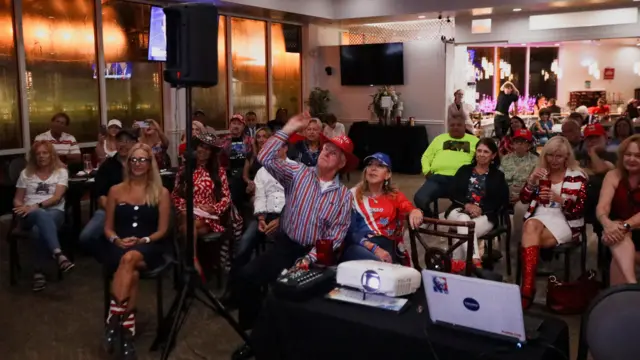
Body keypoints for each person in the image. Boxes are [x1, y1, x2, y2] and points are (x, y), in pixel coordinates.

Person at [232, 112, 357, 359]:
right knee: (247, 277)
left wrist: (309, 259)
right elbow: (265, 158)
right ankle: (256, 334)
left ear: (341, 164)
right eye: (325, 148)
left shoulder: (343, 196)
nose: (325, 153)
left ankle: (276, 342)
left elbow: (336, 235)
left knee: (285, 293)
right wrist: (289, 128)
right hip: (286, 246)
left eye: (333, 153)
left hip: (317, 255)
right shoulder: (298, 172)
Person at [103, 143, 171, 358]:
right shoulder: (115, 190)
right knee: (129, 268)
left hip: (150, 246)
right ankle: (125, 332)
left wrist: (144, 239)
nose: (138, 164)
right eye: (134, 159)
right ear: (128, 163)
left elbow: (162, 230)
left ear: (151, 164)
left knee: (130, 258)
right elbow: (108, 228)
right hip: (119, 246)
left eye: (143, 159)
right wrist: (116, 240)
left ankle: (113, 320)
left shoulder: (161, 192)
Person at [519, 136, 588, 308]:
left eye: (559, 156)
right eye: (550, 155)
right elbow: (524, 199)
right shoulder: (541, 171)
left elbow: (579, 209)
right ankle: (528, 288)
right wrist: (531, 182)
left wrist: (561, 199)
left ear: (567, 157)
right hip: (541, 213)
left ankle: (526, 290)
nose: (554, 160)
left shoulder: (577, 176)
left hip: (566, 219)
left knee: (529, 240)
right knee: (530, 225)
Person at [12, 141, 74, 291]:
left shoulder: (61, 172)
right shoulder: (26, 173)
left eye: (45, 153)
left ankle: (38, 273)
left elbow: (57, 198)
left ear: (51, 155)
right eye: (38, 153)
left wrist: (37, 206)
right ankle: (58, 255)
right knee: (38, 215)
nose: (41, 156)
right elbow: (17, 198)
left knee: (37, 230)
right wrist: (20, 207)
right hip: (28, 214)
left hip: (54, 212)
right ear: (34, 156)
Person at [172, 132, 236, 276]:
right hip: (187, 212)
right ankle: (194, 262)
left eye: (208, 149)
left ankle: (188, 268)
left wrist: (213, 208)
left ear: (212, 153)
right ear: (195, 148)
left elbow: (226, 198)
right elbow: (175, 195)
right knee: (186, 220)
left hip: (208, 217)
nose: (203, 151)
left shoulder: (218, 172)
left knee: (186, 228)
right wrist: (189, 206)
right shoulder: (183, 171)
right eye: (201, 146)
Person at [342, 152, 423, 265]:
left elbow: (407, 206)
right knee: (356, 253)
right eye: (370, 164)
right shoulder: (352, 195)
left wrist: (415, 211)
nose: (373, 169)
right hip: (362, 245)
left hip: (387, 246)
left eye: (380, 166)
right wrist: (374, 249)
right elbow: (349, 231)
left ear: (387, 175)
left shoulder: (394, 196)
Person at [445, 138, 509, 273]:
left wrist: (481, 209)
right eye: (479, 150)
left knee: (464, 230)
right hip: (458, 211)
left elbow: (501, 200)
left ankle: (457, 268)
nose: (481, 154)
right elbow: (452, 192)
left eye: (486, 152)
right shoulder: (464, 170)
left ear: (493, 155)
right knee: (464, 221)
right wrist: (467, 205)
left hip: (485, 216)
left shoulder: (497, 176)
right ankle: (475, 262)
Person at [79, 129, 138, 262]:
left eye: (127, 141)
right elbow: (101, 196)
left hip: (136, 208)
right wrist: (114, 210)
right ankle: (110, 257)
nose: (123, 144)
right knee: (86, 237)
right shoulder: (107, 166)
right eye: (120, 141)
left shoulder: (140, 163)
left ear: (135, 143)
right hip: (109, 208)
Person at [413, 115, 479, 217]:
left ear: (464, 126)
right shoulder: (439, 139)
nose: (455, 127)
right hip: (439, 178)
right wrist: (426, 171)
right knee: (420, 198)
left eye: (459, 125)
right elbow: (426, 156)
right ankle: (431, 218)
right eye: (452, 125)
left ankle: (453, 215)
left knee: (468, 205)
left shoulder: (474, 141)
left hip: (463, 179)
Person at [597, 135, 640, 285]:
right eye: (628, 155)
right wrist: (607, 224)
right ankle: (632, 285)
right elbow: (602, 206)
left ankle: (624, 294)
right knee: (618, 239)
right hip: (620, 232)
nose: (631, 159)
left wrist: (623, 226)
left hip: (626, 229)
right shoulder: (613, 175)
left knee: (618, 253)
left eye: (637, 156)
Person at [501, 129, 538, 245]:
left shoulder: (536, 160)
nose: (520, 145)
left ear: (529, 145)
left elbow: (536, 183)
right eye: (517, 142)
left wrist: (520, 195)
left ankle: (520, 241)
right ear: (512, 144)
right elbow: (499, 178)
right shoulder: (506, 159)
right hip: (505, 191)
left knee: (521, 208)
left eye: (523, 142)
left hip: (525, 194)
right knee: (490, 203)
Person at [219, 114, 253, 207]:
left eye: (239, 124)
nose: (236, 126)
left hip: (244, 173)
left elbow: (250, 158)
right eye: (234, 123)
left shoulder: (249, 141)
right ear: (230, 126)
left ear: (243, 127)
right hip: (226, 174)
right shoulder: (223, 141)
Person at [242, 127, 271, 197]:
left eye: (264, 136)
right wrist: (250, 182)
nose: (261, 140)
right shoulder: (251, 155)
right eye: (258, 137)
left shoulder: (275, 154)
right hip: (256, 189)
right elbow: (245, 176)